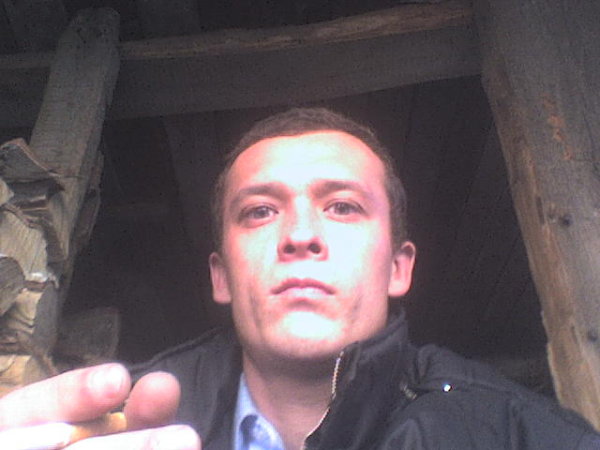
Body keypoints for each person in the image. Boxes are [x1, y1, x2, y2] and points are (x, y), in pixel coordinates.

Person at [0, 107, 598, 449]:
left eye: (343, 206)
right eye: (261, 211)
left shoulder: (530, 436)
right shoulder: (103, 431)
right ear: (221, 278)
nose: (300, 234)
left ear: (398, 267)